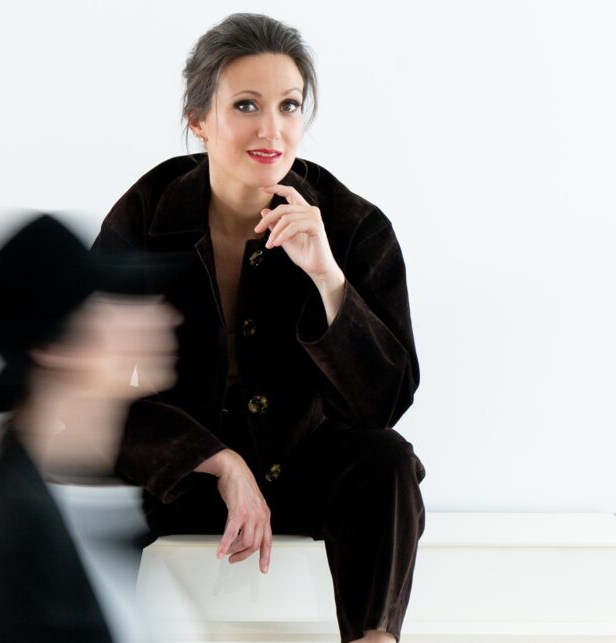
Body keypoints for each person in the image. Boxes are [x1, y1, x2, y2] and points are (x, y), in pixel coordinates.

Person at [90, 13, 427, 643]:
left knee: (387, 460)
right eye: (246, 105)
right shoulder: (145, 214)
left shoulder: (352, 226)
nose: (272, 129)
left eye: (289, 105)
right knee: (78, 468)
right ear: (198, 119)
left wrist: (328, 278)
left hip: (304, 474)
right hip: (183, 478)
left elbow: (382, 405)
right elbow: (89, 390)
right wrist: (216, 461)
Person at [0, 213, 181, 643]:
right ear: (55, 346)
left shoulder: (83, 502)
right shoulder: (25, 537)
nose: (165, 315)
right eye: (119, 298)